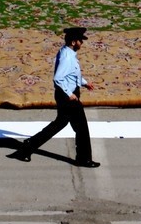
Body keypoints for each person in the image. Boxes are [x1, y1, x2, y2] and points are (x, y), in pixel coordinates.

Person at [13, 26, 100, 167]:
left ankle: (28, 146)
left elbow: (72, 74)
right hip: (68, 97)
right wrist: (70, 94)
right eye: (80, 40)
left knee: (59, 124)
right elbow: (58, 78)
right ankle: (84, 159)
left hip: (67, 94)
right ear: (73, 42)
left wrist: (84, 83)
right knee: (81, 128)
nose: (82, 43)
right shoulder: (67, 57)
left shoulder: (68, 53)